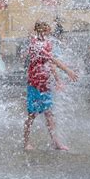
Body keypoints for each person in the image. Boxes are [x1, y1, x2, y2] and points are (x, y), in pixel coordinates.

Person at [23, 21, 78, 151]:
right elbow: (52, 60)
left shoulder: (47, 43)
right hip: (34, 83)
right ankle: (26, 142)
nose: (49, 32)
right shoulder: (35, 44)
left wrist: (58, 80)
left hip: (45, 84)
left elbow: (50, 65)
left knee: (49, 114)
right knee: (32, 115)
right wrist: (68, 70)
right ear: (41, 30)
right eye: (47, 30)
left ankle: (56, 142)